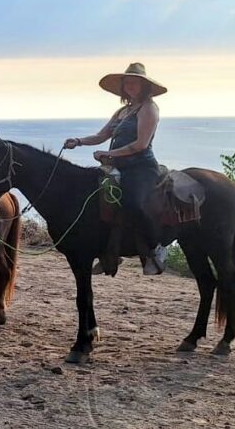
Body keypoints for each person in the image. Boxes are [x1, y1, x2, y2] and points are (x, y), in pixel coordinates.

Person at [63, 62, 168, 276]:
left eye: (134, 82)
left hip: (142, 168)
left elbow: (141, 145)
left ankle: (156, 247)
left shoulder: (149, 108)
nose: (130, 85)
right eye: (127, 82)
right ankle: (110, 251)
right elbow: (101, 136)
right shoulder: (123, 111)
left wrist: (109, 154)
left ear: (144, 85)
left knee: (134, 203)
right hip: (118, 167)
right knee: (97, 202)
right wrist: (78, 141)